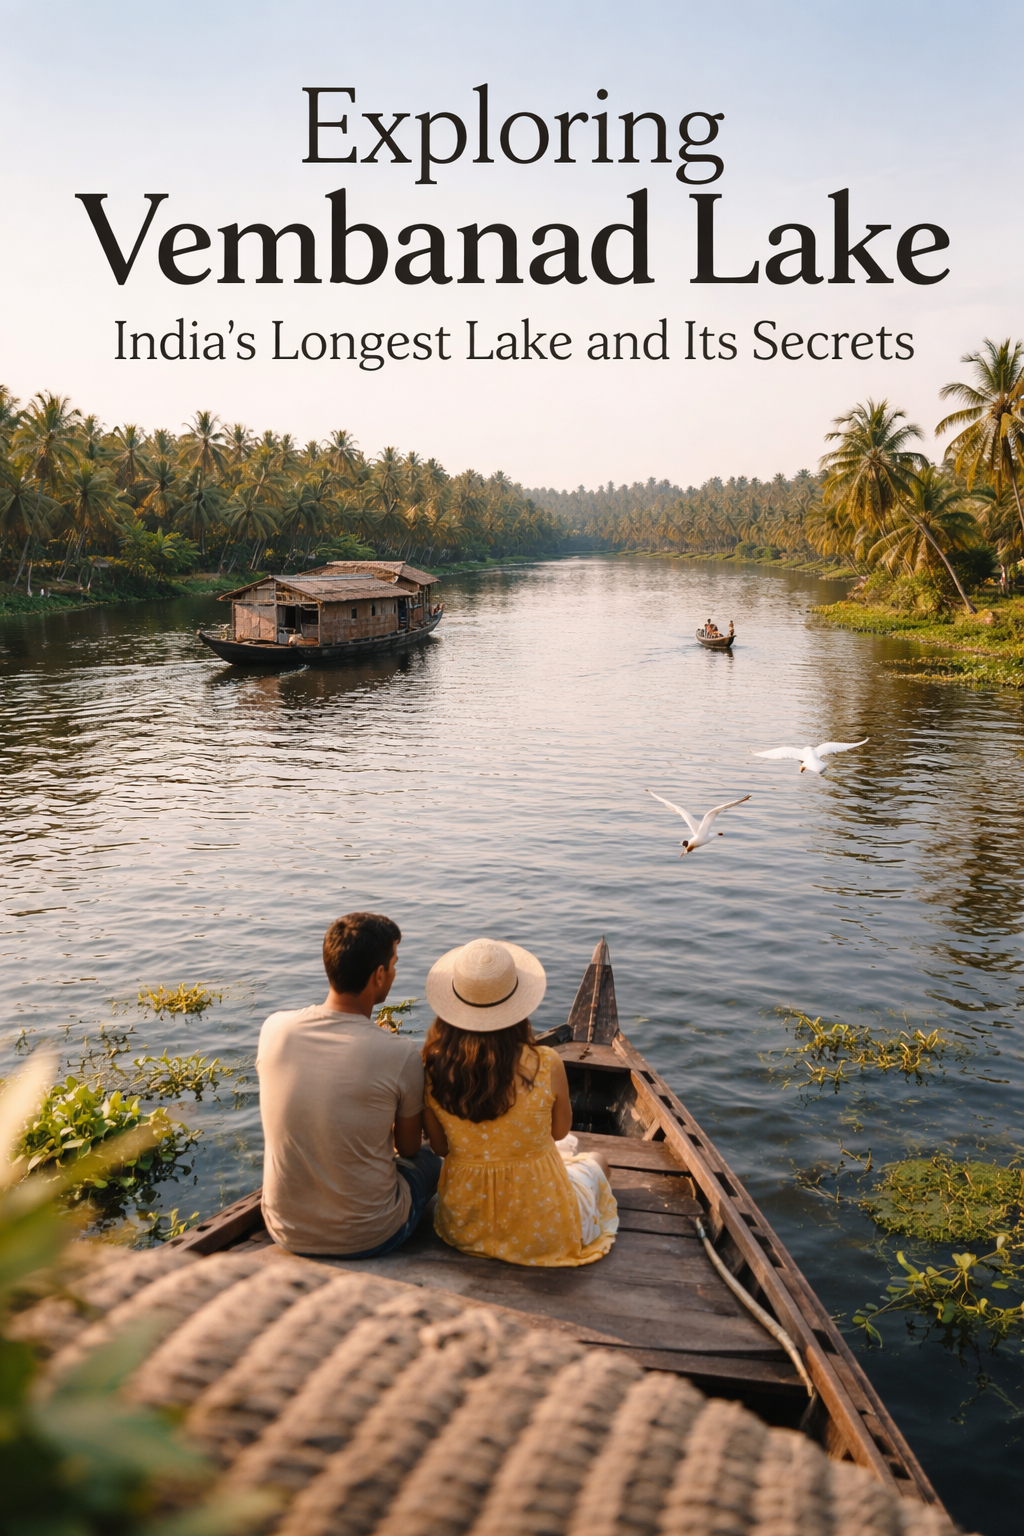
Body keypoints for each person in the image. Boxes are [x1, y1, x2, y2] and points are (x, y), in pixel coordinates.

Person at [420, 937, 618, 1267]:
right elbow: (559, 1131)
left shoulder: (431, 1067)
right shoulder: (546, 1062)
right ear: (517, 1005)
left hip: (464, 1225)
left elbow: (440, 1148)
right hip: (544, 1229)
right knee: (595, 1158)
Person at [257, 911, 440, 1257]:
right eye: (395, 963)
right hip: (374, 1235)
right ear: (379, 975)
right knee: (430, 1162)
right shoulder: (399, 1053)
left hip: (284, 1229)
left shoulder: (274, 1030)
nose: (396, 972)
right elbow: (409, 1147)